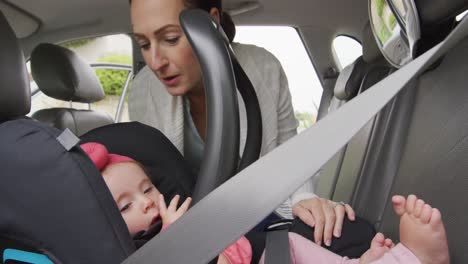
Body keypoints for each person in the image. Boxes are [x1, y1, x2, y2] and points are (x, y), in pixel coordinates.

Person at [128, 0, 355, 246]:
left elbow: (290, 155)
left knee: (347, 232)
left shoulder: (264, 69)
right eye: (143, 44)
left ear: (211, 22)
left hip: (261, 217)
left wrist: (305, 199)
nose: (155, 62)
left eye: (171, 39)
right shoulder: (143, 90)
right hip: (191, 237)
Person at [82, 142, 450, 264]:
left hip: (271, 248)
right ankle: (412, 258)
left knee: (296, 246)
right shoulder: (136, 252)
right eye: (125, 206)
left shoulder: (174, 214)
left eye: (147, 189)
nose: (147, 203)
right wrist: (184, 248)